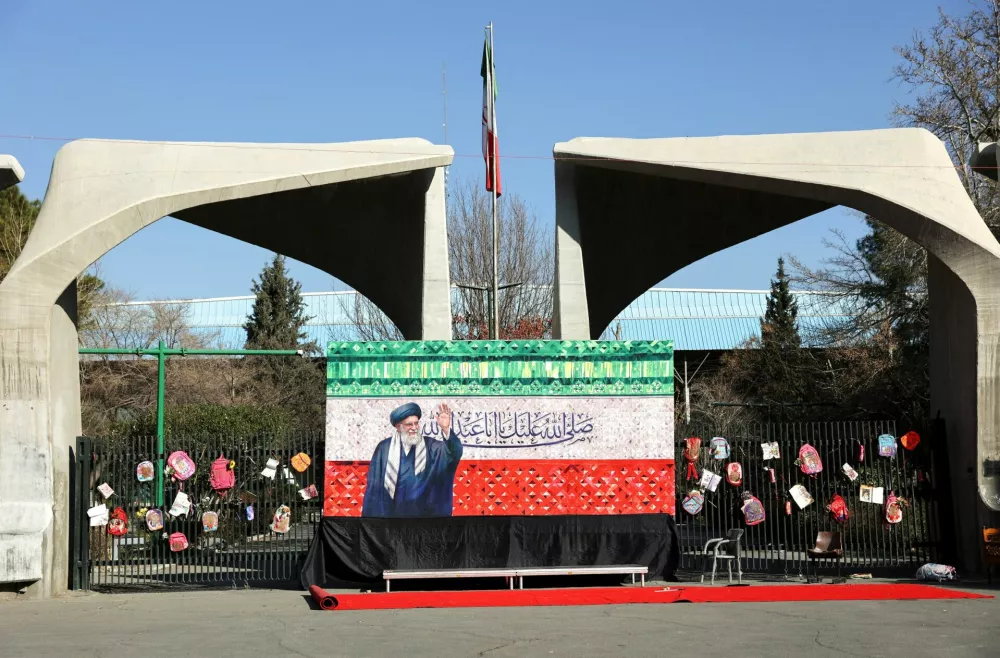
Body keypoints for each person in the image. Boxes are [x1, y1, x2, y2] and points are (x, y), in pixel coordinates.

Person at [361, 402, 463, 518]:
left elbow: (453, 453)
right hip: (392, 517)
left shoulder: (430, 446)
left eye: (416, 423)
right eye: (409, 424)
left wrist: (445, 428)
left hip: (424, 517)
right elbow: (374, 485)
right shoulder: (384, 448)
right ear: (398, 427)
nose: (414, 428)